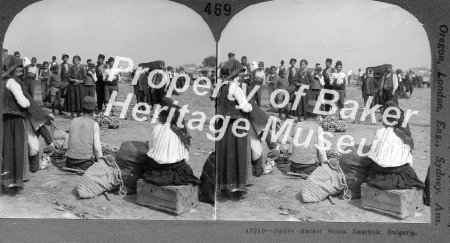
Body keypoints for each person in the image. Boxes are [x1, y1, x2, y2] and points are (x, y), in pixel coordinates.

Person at [366, 101, 424, 190]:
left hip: (381, 171)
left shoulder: (380, 132)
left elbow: (373, 154)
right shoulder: (403, 133)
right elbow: (408, 156)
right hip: (399, 170)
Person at [142, 98, 200, 186]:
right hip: (175, 168)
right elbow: (186, 157)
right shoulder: (180, 131)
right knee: (186, 169)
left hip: (157, 167)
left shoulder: (156, 128)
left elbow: (151, 149)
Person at [216, 59, 253, 199]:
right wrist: (250, 107)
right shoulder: (236, 88)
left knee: (226, 154)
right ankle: (238, 187)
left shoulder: (221, 87)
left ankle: (224, 186)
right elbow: (245, 107)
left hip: (223, 125)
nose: (241, 77)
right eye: (239, 74)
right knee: (239, 154)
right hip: (236, 126)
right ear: (235, 75)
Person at [2, 55, 30, 194]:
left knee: (6, 149)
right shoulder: (13, 83)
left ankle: (6, 181)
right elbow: (23, 102)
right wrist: (28, 103)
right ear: (12, 68)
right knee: (17, 149)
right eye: (18, 67)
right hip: (15, 120)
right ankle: (15, 182)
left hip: (4, 119)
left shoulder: (3, 81)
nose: (21, 69)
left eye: (21, 67)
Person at [66, 96, 103, 170]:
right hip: (85, 163)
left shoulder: (73, 121)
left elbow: (67, 143)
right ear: (94, 110)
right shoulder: (94, 124)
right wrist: (101, 163)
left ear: (82, 109)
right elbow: (97, 147)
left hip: (70, 162)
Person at [287, 111, 328, 175]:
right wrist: (325, 166)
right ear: (317, 116)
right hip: (309, 168)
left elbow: (292, 146)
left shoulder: (297, 125)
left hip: (294, 167)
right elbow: (321, 151)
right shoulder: (318, 128)